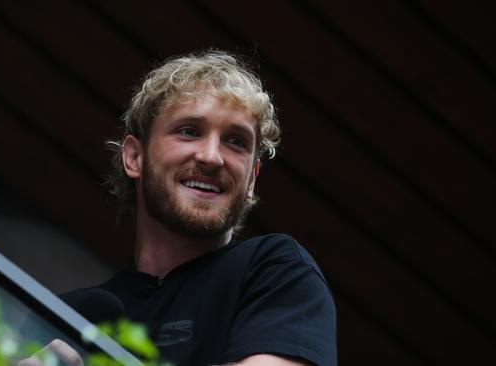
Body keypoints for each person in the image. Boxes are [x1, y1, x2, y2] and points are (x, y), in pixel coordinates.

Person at [31, 50, 337, 366]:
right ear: (135, 157)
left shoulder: (276, 272)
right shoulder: (70, 313)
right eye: (189, 131)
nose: (211, 157)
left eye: (236, 142)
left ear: (251, 179)